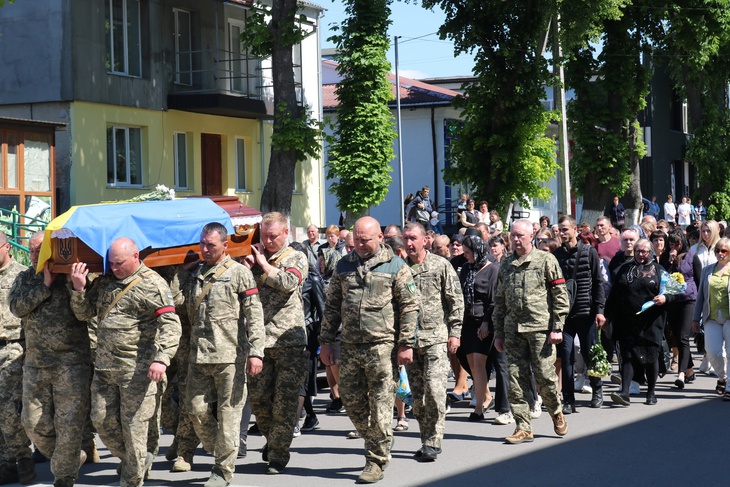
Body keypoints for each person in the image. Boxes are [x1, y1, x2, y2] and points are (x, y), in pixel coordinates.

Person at [69, 238, 181, 487]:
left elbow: (171, 325)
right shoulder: (105, 282)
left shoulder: (153, 284)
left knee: (134, 429)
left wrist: (162, 359)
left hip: (137, 371)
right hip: (105, 368)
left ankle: (132, 478)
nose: (115, 268)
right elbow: (84, 313)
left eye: (119, 263)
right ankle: (136, 460)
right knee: (102, 421)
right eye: (111, 263)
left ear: (136, 256)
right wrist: (78, 289)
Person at [319, 216, 419, 484]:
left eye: (365, 240)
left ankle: (376, 460)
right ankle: (379, 438)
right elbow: (332, 306)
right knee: (351, 401)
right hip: (350, 345)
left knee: (381, 403)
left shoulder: (396, 266)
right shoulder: (344, 265)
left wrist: (406, 343)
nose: (360, 245)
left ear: (380, 237)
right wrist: (325, 341)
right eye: (357, 240)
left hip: (382, 346)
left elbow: (410, 306)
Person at [184, 223, 266, 487]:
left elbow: (254, 315)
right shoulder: (196, 273)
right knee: (195, 410)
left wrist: (256, 352)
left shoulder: (239, 273)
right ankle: (221, 449)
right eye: (202, 244)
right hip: (199, 355)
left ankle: (222, 470)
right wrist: (181, 273)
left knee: (229, 414)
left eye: (211, 245)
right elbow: (178, 303)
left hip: (230, 356)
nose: (205, 249)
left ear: (225, 245)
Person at [8, 232, 90, 487]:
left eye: (40, 250)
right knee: (32, 423)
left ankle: (64, 476)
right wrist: (44, 285)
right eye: (32, 251)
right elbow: (16, 308)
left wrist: (79, 288)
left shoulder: (71, 277)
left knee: (68, 423)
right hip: (36, 363)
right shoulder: (26, 278)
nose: (35, 256)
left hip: (70, 364)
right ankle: (70, 459)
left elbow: (86, 314)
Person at [243, 212, 308, 475]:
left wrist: (263, 264)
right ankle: (274, 441)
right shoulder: (254, 258)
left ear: (286, 233)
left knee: (285, 402)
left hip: (288, 341)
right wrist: (247, 268)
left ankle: (278, 454)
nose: (268, 241)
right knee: (258, 399)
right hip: (258, 341)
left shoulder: (295, 257)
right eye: (265, 236)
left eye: (273, 236)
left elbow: (288, 282)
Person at [493, 219, 570, 444]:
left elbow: (560, 294)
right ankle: (523, 427)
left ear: (531, 236)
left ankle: (556, 412)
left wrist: (557, 327)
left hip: (539, 328)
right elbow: (499, 300)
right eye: (513, 235)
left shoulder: (546, 260)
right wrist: (498, 332)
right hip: (513, 330)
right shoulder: (506, 264)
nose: (516, 240)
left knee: (545, 377)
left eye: (520, 235)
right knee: (515, 378)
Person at [402, 223, 464, 461]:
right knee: (418, 397)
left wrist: (455, 332)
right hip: (410, 342)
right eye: (406, 239)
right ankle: (425, 437)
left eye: (413, 238)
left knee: (435, 391)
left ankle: (433, 441)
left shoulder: (440, 265)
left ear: (425, 240)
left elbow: (455, 300)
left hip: (436, 338)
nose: (409, 243)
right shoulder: (400, 269)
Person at [606, 239, 673, 405]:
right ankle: (624, 392)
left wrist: (665, 298)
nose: (641, 255)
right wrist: (606, 315)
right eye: (638, 251)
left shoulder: (659, 270)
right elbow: (614, 294)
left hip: (651, 322)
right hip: (627, 321)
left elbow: (674, 292)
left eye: (644, 252)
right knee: (628, 356)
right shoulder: (625, 269)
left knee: (651, 357)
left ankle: (651, 393)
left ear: (650, 253)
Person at [553, 216, 606, 412]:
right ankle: (568, 399)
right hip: (565, 315)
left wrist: (599, 311)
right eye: (560, 229)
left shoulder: (589, 252)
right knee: (566, 357)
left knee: (590, 353)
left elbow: (598, 282)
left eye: (565, 229)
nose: (562, 233)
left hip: (586, 312)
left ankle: (597, 390)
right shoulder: (556, 255)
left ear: (575, 230)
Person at [459, 235, 504, 421]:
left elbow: (493, 300)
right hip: (467, 322)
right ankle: (485, 397)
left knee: (479, 363)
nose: (465, 256)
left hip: (483, 322)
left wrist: (486, 323)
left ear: (477, 251)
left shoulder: (493, 269)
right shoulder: (466, 269)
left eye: (468, 252)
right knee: (471, 364)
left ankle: (479, 408)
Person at [0, 232, 34, 484]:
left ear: (6, 247)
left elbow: (34, 318)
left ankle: (22, 458)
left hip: (13, 348)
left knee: (9, 408)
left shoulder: (22, 276)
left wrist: (30, 351)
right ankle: (6, 463)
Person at [693, 237, 730, 399]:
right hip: (711, 316)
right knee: (712, 352)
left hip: (729, 317)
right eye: (717, 250)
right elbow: (700, 296)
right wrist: (695, 318)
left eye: (724, 251)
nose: (720, 253)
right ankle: (723, 376)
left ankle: (729, 388)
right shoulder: (708, 270)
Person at [663, 231, 697, 389]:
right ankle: (689, 369)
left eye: (677, 244)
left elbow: (698, 279)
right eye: (671, 244)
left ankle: (681, 374)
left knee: (683, 337)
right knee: (676, 336)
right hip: (672, 300)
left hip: (688, 300)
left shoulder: (691, 257)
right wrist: (670, 262)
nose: (674, 247)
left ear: (682, 243)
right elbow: (663, 276)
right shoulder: (666, 258)